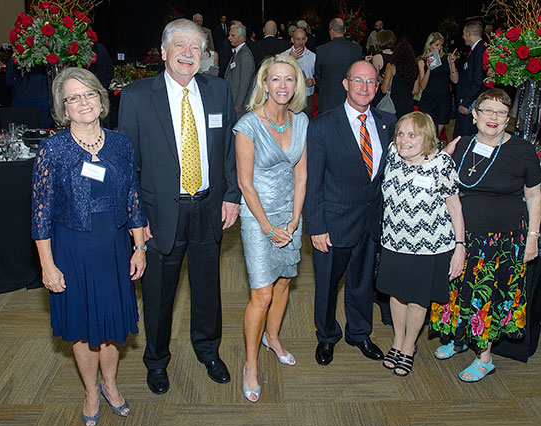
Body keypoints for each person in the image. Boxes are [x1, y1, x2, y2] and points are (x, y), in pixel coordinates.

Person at [118, 18, 240, 394]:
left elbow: (229, 151)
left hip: (208, 208)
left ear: (204, 54)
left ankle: (208, 350)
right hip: (159, 215)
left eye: (195, 47)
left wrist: (231, 195)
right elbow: (128, 165)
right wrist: (137, 219)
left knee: (208, 287)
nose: (189, 54)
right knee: (158, 294)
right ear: (164, 52)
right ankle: (156, 361)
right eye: (180, 46)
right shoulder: (137, 96)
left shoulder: (218, 90)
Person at [31, 67, 147, 426]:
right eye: (73, 97)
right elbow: (40, 215)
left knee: (111, 325)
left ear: (101, 99)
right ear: (63, 109)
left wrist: (139, 246)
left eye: (89, 94)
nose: (83, 102)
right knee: (82, 326)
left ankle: (111, 386)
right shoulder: (53, 150)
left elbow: (133, 197)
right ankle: (91, 392)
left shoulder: (119, 142)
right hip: (72, 249)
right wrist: (48, 266)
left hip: (113, 246)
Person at [430, 88, 541, 382]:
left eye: (500, 112)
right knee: (458, 291)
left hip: (500, 242)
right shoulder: (462, 145)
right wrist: (443, 156)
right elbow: (437, 182)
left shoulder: (522, 150)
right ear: (475, 114)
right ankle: (458, 339)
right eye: (487, 111)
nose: (493, 117)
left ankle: (485, 358)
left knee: (487, 297)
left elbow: (533, 195)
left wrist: (533, 237)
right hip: (461, 237)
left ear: (508, 118)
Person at [304, 60, 396, 366]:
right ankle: (327, 336)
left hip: (371, 223)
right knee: (328, 285)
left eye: (371, 82)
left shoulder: (388, 123)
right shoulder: (322, 125)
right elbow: (312, 181)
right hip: (333, 224)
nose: (365, 87)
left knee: (362, 283)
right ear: (346, 84)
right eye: (358, 81)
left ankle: (359, 333)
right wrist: (316, 226)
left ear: (378, 85)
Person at [234, 54, 308, 402]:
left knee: (283, 284)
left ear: (297, 84)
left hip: (290, 216)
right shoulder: (248, 124)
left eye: (289, 79)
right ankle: (250, 364)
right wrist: (268, 228)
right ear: (264, 84)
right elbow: (245, 184)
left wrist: (293, 221)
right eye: (275, 79)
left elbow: (301, 174)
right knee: (261, 294)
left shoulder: (302, 121)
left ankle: (273, 337)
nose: (282, 86)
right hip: (257, 216)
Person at [376, 111, 465, 376]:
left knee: (417, 301)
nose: (404, 140)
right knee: (396, 296)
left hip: (429, 247)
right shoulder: (392, 153)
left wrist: (459, 245)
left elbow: (455, 206)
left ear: (426, 137)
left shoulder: (442, 165)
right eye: (401, 133)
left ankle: (408, 346)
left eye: (412, 135)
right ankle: (396, 340)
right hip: (394, 242)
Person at [314, 18, 362, 114]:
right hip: (350, 99)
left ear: (331, 30)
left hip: (327, 100)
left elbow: (318, 76)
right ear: (344, 30)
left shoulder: (322, 50)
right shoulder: (357, 50)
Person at [418, 32, 459, 138]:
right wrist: (429, 69)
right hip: (429, 99)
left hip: (443, 99)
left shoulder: (447, 59)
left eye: (441, 45)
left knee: (437, 133)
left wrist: (452, 63)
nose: (439, 48)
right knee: (425, 131)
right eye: (436, 45)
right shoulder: (422, 62)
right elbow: (422, 85)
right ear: (429, 45)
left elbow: (455, 80)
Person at [453, 20, 486, 139]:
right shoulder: (475, 51)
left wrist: (466, 103)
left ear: (469, 32)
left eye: (463, 33)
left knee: (465, 137)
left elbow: (477, 80)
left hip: (470, 104)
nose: (463, 36)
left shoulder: (480, 51)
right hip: (467, 101)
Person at [380, 40, 420, 119]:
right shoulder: (415, 67)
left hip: (393, 106)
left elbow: (384, 89)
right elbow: (416, 90)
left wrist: (382, 80)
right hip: (408, 106)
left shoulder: (391, 66)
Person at [282, 28, 316, 118]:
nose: (300, 42)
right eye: (297, 39)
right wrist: (291, 59)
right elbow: (280, 74)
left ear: (306, 40)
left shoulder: (313, 57)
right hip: (290, 96)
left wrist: (313, 81)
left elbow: (318, 76)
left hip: (307, 97)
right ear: (292, 40)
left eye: (303, 39)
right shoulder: (284, 56)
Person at [225, 23, 256, 116]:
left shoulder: (245, 55)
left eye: (232, 35)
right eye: (229, 35)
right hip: (234, 100)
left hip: (240, 104)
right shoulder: (238, 52)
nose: (229, 38)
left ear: (241, 37)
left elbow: (245, 82)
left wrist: (238, 104)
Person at [370, 30, 395, 108]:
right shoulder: (398, 57)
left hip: (381, 95)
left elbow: (374, 79)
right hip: (394, 94)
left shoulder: (377, 57)